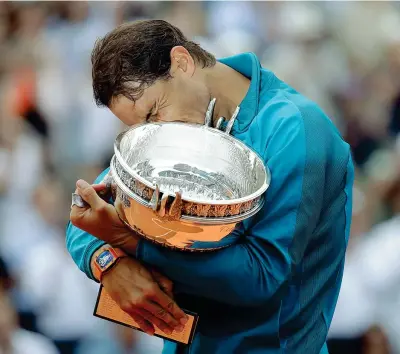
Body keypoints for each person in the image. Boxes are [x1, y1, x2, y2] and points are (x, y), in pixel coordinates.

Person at [66, 19, 354, 354]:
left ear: (182, 62)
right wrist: (109, 263)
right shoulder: (174, 132)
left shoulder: (297, 129)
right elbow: (87, 206)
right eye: (140, 128)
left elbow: (261, 278)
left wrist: (130, 241)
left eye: (154, 112)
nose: (154, 134)